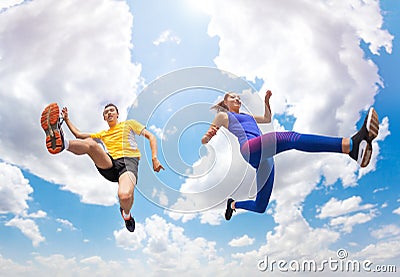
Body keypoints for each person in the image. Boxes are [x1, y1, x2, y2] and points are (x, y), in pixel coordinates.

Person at [201, 91, 379, 220]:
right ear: (225, 101)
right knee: (291, 138)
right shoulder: (225, 115)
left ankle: (232, 205)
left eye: (238, 97)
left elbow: (267, 119)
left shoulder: (248, 116)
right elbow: (212, 129)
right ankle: (351, 146)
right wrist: (207, 137)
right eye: (233, 97)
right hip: (250, 149)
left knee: (260, 206)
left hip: (265, 158)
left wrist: (266, 101)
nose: (237, 99)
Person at [40, 102, 164, 232]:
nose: (109, 113)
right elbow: (78, 134)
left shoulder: (129, 124)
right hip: (109, 164)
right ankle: (62, 144)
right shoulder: (103, 134)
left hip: (128, 163)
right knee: (91, 144)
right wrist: (66, 119)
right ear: (104, 118)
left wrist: (154, 158)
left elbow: (151, 136)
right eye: (106, 112)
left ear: (117, 114)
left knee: (125, 196)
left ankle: (127, 215)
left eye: (112, 110)